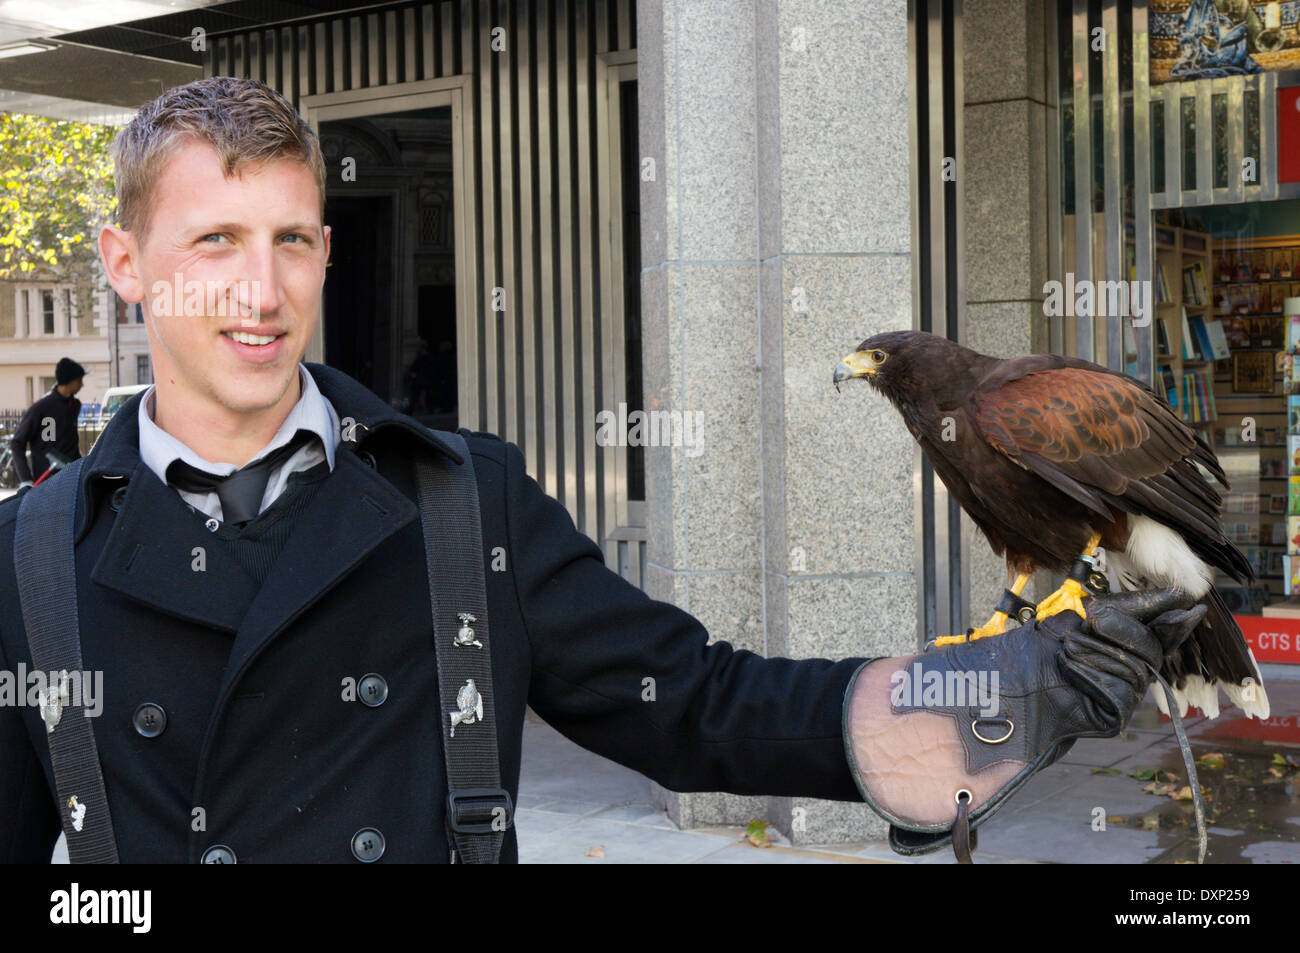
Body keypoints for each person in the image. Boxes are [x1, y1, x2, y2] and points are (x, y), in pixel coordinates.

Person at [0, 77, 1196, 864]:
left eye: (293, 242)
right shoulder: (29, 557)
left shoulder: (462, 502)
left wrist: (977, 696)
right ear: (126, 262)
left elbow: (699, 706)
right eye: (215, 241)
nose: (263, 294)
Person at [8, 358, 86, 488]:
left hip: (71, 478)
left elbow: (70, 442)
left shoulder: (75, 405)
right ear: (68, 380)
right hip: (47, 482)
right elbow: (17, 443)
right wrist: (26, 479)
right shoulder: (41, 408)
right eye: (79, 380)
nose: (81, 385)